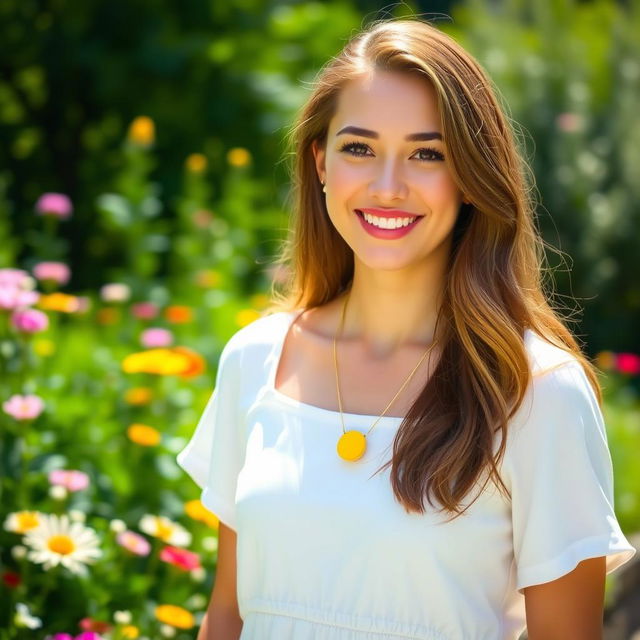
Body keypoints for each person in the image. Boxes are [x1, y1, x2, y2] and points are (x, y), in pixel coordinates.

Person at [177, 17, 636, 640]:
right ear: (320, 162)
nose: (388, 187)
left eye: (427, 154)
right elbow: (227, 615)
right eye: (359, 148)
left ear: (472, 177)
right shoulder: (257, 358)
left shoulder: (536, 391)